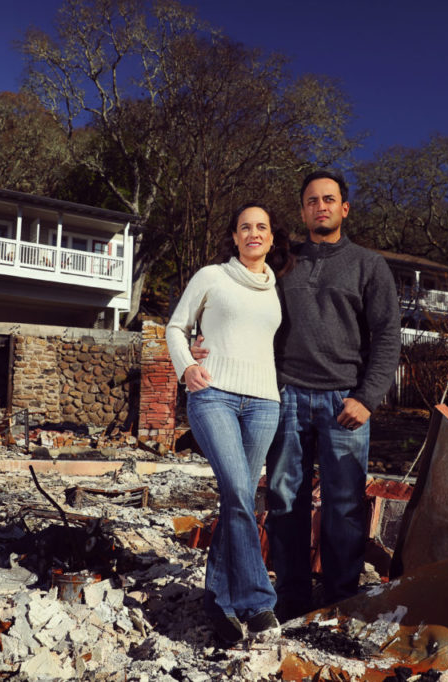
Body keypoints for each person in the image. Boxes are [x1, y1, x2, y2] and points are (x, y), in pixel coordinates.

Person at [266, 170, 401, 619]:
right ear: (302, 210)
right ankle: (292, 599)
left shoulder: (369, 265)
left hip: (345, 400)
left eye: (329, 199)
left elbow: (386, 338)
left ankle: (340, 598)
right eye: (311, 201)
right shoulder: (283, 262)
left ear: (344, 208)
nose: (320, 206)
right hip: (286, 397)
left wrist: (368, 397)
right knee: (286, 500)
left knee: (343, 505)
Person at [165, 202, 291, 646]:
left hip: (264, 404)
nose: (253, 233)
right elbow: (176, 327)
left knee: (236, 498)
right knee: (238, 491)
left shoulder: (279, 289)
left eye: (262, 227)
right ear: (234, 236)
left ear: (272, 239)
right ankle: (258, 602)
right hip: (213, 394)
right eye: (245, 227)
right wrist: (185, 367)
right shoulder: (212, 276)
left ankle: (217, 599)